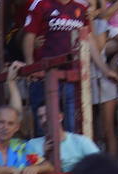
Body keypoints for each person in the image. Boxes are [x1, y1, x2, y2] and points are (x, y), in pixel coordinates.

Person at [22, 0, 86, 131]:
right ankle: (41, 153)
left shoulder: (81, 6)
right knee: (43, 129)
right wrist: (30, 67)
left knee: (71, 128)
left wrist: (105, 69)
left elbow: (88, 40)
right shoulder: (41, 4)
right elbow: (29, 37)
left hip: (72, 78)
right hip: (43, 77)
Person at [23, 103, 101, 172]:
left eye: (47, 115)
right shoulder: (32, 145)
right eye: (40, 117)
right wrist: (44, 154)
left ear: (60, 117)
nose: (44, 120)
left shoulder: (81, 141)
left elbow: (101, 166)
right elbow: (34, 171)